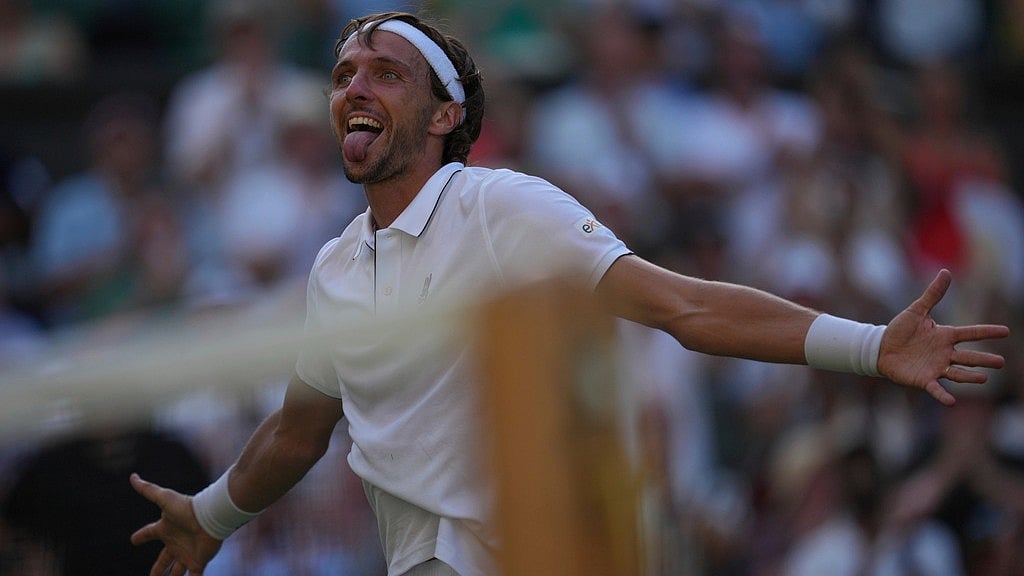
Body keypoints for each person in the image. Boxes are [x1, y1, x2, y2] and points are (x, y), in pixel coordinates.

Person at [129, 11, 1010, 576]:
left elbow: (684, 307)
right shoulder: (334, 267)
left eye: (385, 72)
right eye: (343, 74)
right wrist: (212, 514)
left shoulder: (499, 204)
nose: (353, 86)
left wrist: (869, 345)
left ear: (446, 119)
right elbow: (297, 431)